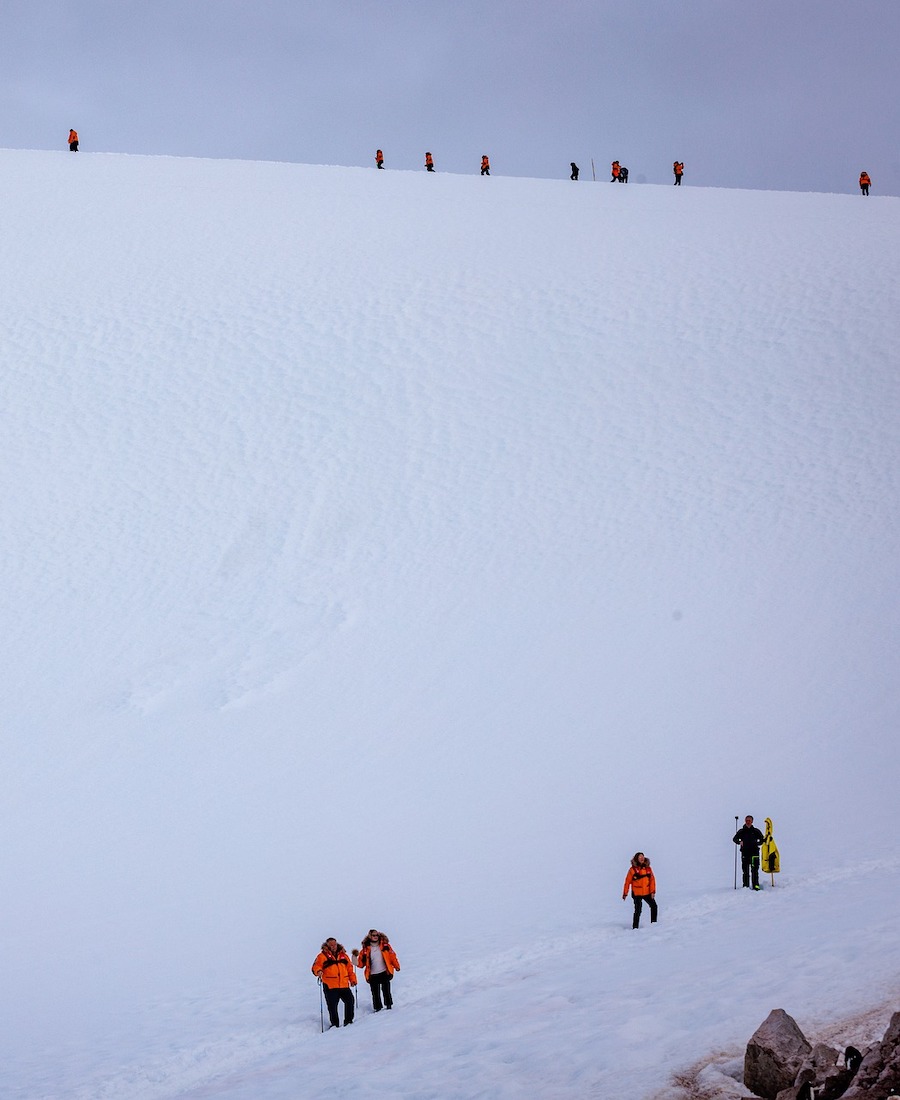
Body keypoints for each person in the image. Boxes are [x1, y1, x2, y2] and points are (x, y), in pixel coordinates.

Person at [311, 938, 357, 1028]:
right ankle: (335, 1025)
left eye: (335, 944)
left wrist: (353, 980)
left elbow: (350, 969)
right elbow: (315, 966)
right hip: (330, 985)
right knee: (332, 1007)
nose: (334, 946)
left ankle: (349, 1021)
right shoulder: (322, 956)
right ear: (327, 946)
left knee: (350, 1001)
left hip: (344, 984)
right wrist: (319, 971)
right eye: (331, 945)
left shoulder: (344, 955)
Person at [352, 929, 400, 1012]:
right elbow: (360, 964)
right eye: (373, 935)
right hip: (372, 974)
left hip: (385, 971)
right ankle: (377, 1008)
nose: (375, 937)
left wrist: (396, 966)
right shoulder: (365, 949)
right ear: (370, 936)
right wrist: (354, 959)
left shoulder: (385, 945)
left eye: (377, 935)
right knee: (375, 992)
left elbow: (392, 956)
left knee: (386, 990)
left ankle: (389, 1005)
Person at [622, 852, 658, 928]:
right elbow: (627, 882)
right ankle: (635, 927)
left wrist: (652, 892)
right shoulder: (632, 870)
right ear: (636, 859)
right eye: (640, 857)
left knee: (654, 906)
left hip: (647, 892)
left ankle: (654, 924)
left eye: (643, 856)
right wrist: (625, 893)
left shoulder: (648, 869)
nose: (642, 858)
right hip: (637, 893)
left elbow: (652, 880)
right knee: (638, 910)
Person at [733, 815, 765, 890]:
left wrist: (757, 843)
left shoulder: (756, 831)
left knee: (755, 870)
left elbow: (762, 839)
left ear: (752, 821)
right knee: (745, 871)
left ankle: (756, 886)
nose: (748, 822)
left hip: (755, 853)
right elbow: (734, 839)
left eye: (749, 820)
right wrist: (739, 842)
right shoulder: (741, 831)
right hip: (745, 853)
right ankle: (746, 886)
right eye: (747, 820)